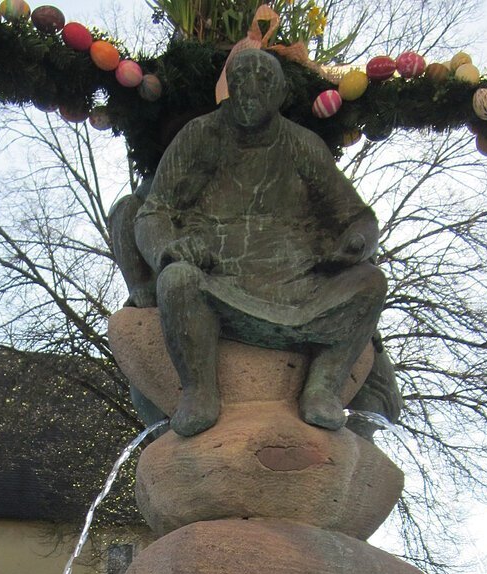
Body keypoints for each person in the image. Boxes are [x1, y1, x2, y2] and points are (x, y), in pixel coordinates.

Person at [131, 48, 387, 436]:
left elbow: (357, 216)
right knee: (177, 279)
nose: (251, 88)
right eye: (241, 79)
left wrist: (355, 243)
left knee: (370, 282)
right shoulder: (200, 135)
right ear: (229, 88)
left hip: (299, 284)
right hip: (220, 279)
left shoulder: (302, 144)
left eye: (264, 80)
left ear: (281, 92)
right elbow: (153, 212)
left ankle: (323, 388)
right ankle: (200, 391)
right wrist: (169, 248)